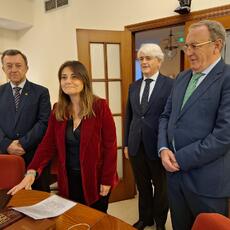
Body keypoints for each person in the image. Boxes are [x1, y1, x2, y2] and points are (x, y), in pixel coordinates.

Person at [8, 60, 118, 213]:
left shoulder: (100, 107)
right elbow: (47, 145)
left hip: (96, 178)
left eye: (74, 76)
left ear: (84, 79)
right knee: (73, 218)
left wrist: (106, 180)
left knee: (95, 219)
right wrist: (31, 172)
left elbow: (110, 147)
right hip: (68, 178)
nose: (68, 81)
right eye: (64, 77)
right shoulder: (58, 110)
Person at [158, 20, 230, 230]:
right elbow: (166, 116)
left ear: (216, 45)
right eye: (186, 45)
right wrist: (163, 149)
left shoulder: (227, 79)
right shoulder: (181, 77)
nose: (188, 52)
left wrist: (178, 158)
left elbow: (223, 136)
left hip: (207, 185)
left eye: (194, 46)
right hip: (174, 179)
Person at [124, 43, 173, 230]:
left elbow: (170, 118)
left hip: (158, 145)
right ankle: (145, 219)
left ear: (159, 62)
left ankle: (160, 222)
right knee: (142, 186)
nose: (144, 61)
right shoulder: (133, 86)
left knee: (161, 188)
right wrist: (127, 143)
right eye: (141, 58)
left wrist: (167, 145)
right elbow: (129, 115)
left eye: (148, 58)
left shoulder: (170, 85)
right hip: (136, 145)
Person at [0, 49, 51, 191]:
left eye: (18, 65)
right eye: (9, 66)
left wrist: (22, 144)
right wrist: (7, 144)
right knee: (7, 200)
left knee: (38, 200)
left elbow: (44, 122)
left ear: (26, 67)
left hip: (33, 155)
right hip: (5, 156)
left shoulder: (41, 92)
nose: (14, 70)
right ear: (3, 68)